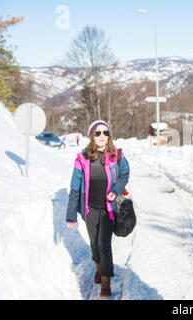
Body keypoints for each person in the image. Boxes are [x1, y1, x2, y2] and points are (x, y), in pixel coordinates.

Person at [66, 120, 130, 298]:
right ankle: (99, 267)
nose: (102, 136)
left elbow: (125, 173)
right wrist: (71, 215)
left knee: (104, 244)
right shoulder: (82, 158)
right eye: (97, 133)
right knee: (94, 244)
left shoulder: (117, 154)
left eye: (105, 132)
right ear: (91, 136)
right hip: (90, 209)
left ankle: (105, 281)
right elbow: (75, 188)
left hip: (109, 210)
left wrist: (116, 190)